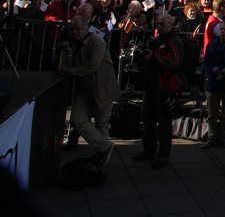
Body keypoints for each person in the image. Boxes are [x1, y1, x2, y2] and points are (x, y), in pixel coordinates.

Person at [60, 14, 121, 166]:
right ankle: (104, 147)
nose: (74, 32)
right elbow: (64, 65)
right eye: (72, 29)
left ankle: (100, 155)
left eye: (77, 29)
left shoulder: (96, 42)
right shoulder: (72, 43)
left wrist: (72, 72)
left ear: (85, 29)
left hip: (101, 87)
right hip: (83, 88)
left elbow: (93, 65)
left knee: (101, 122)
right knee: (77, 119)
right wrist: (65, 53)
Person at [132, 13, 186, 169]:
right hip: (152, 84)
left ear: (170, 25)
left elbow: (174, 62)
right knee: (147, 120)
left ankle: (163, 155)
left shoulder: (174, 41)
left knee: (163, 123)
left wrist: (153, 58)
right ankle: (148, 150)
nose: (159, 27)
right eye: (157, 24)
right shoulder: (157, 40)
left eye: (162, 24)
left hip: (165, 86)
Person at [201, 21, 225, 149]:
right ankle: (212, 137)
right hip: (213, 83)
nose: (223, 32)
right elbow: (205, 63)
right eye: (222, 29)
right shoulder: (212, 46)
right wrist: (213, 69)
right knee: (212, 113)